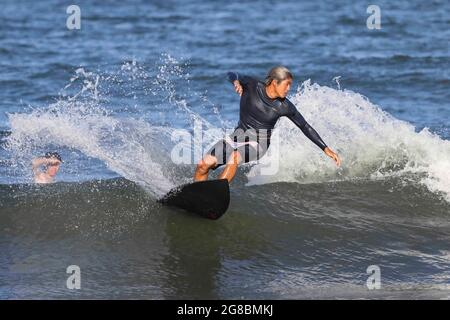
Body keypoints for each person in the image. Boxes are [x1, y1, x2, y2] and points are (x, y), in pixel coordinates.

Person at [194, 66, 341, 183]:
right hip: (237, 137)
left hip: (259, 143)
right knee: (202, 165)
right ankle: (197, 196)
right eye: (286, 85)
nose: (289, 89)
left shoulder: (285, 106)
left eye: (290, 85)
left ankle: (217, 196)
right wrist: (236, 82)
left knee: (234, 158)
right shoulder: (252, 85)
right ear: (274, 82)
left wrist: (325, 148)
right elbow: (232, 73)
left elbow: (305, 126)